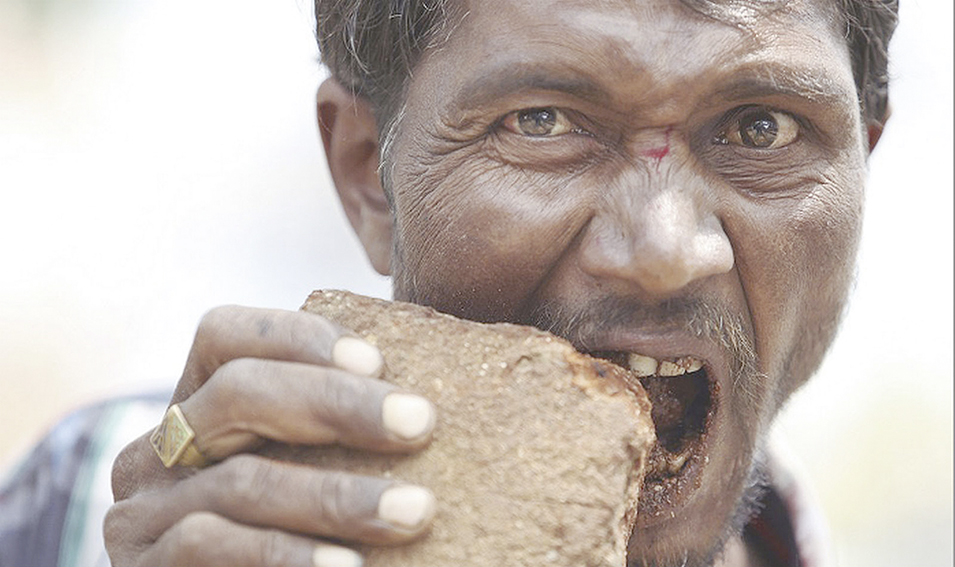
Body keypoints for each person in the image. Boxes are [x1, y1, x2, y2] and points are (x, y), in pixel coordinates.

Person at [0, 0, 898, 566]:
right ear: (365, 174)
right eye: (540, 121)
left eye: (761, 129)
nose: (664, 250)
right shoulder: (86, 514)